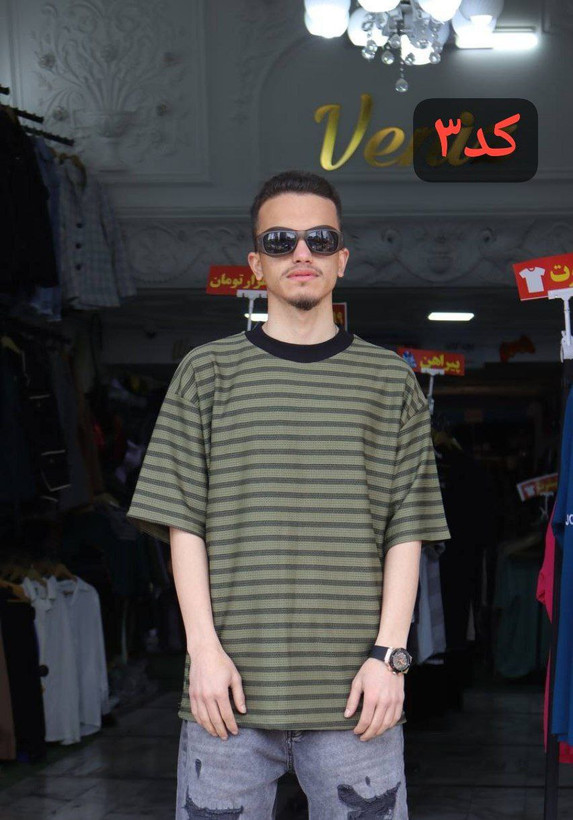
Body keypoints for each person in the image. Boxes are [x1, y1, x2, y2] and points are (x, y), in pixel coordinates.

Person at [126, 170, 450, 819]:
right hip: (226, 695)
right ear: (256, 263)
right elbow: (183, 523)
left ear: (341, 259)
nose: (301, 253)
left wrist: (389, 659)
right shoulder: (207, 372)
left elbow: (407, 529)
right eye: (280, 240)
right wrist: (202, 652)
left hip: (357, 696)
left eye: (319, 239)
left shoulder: (389, 381)